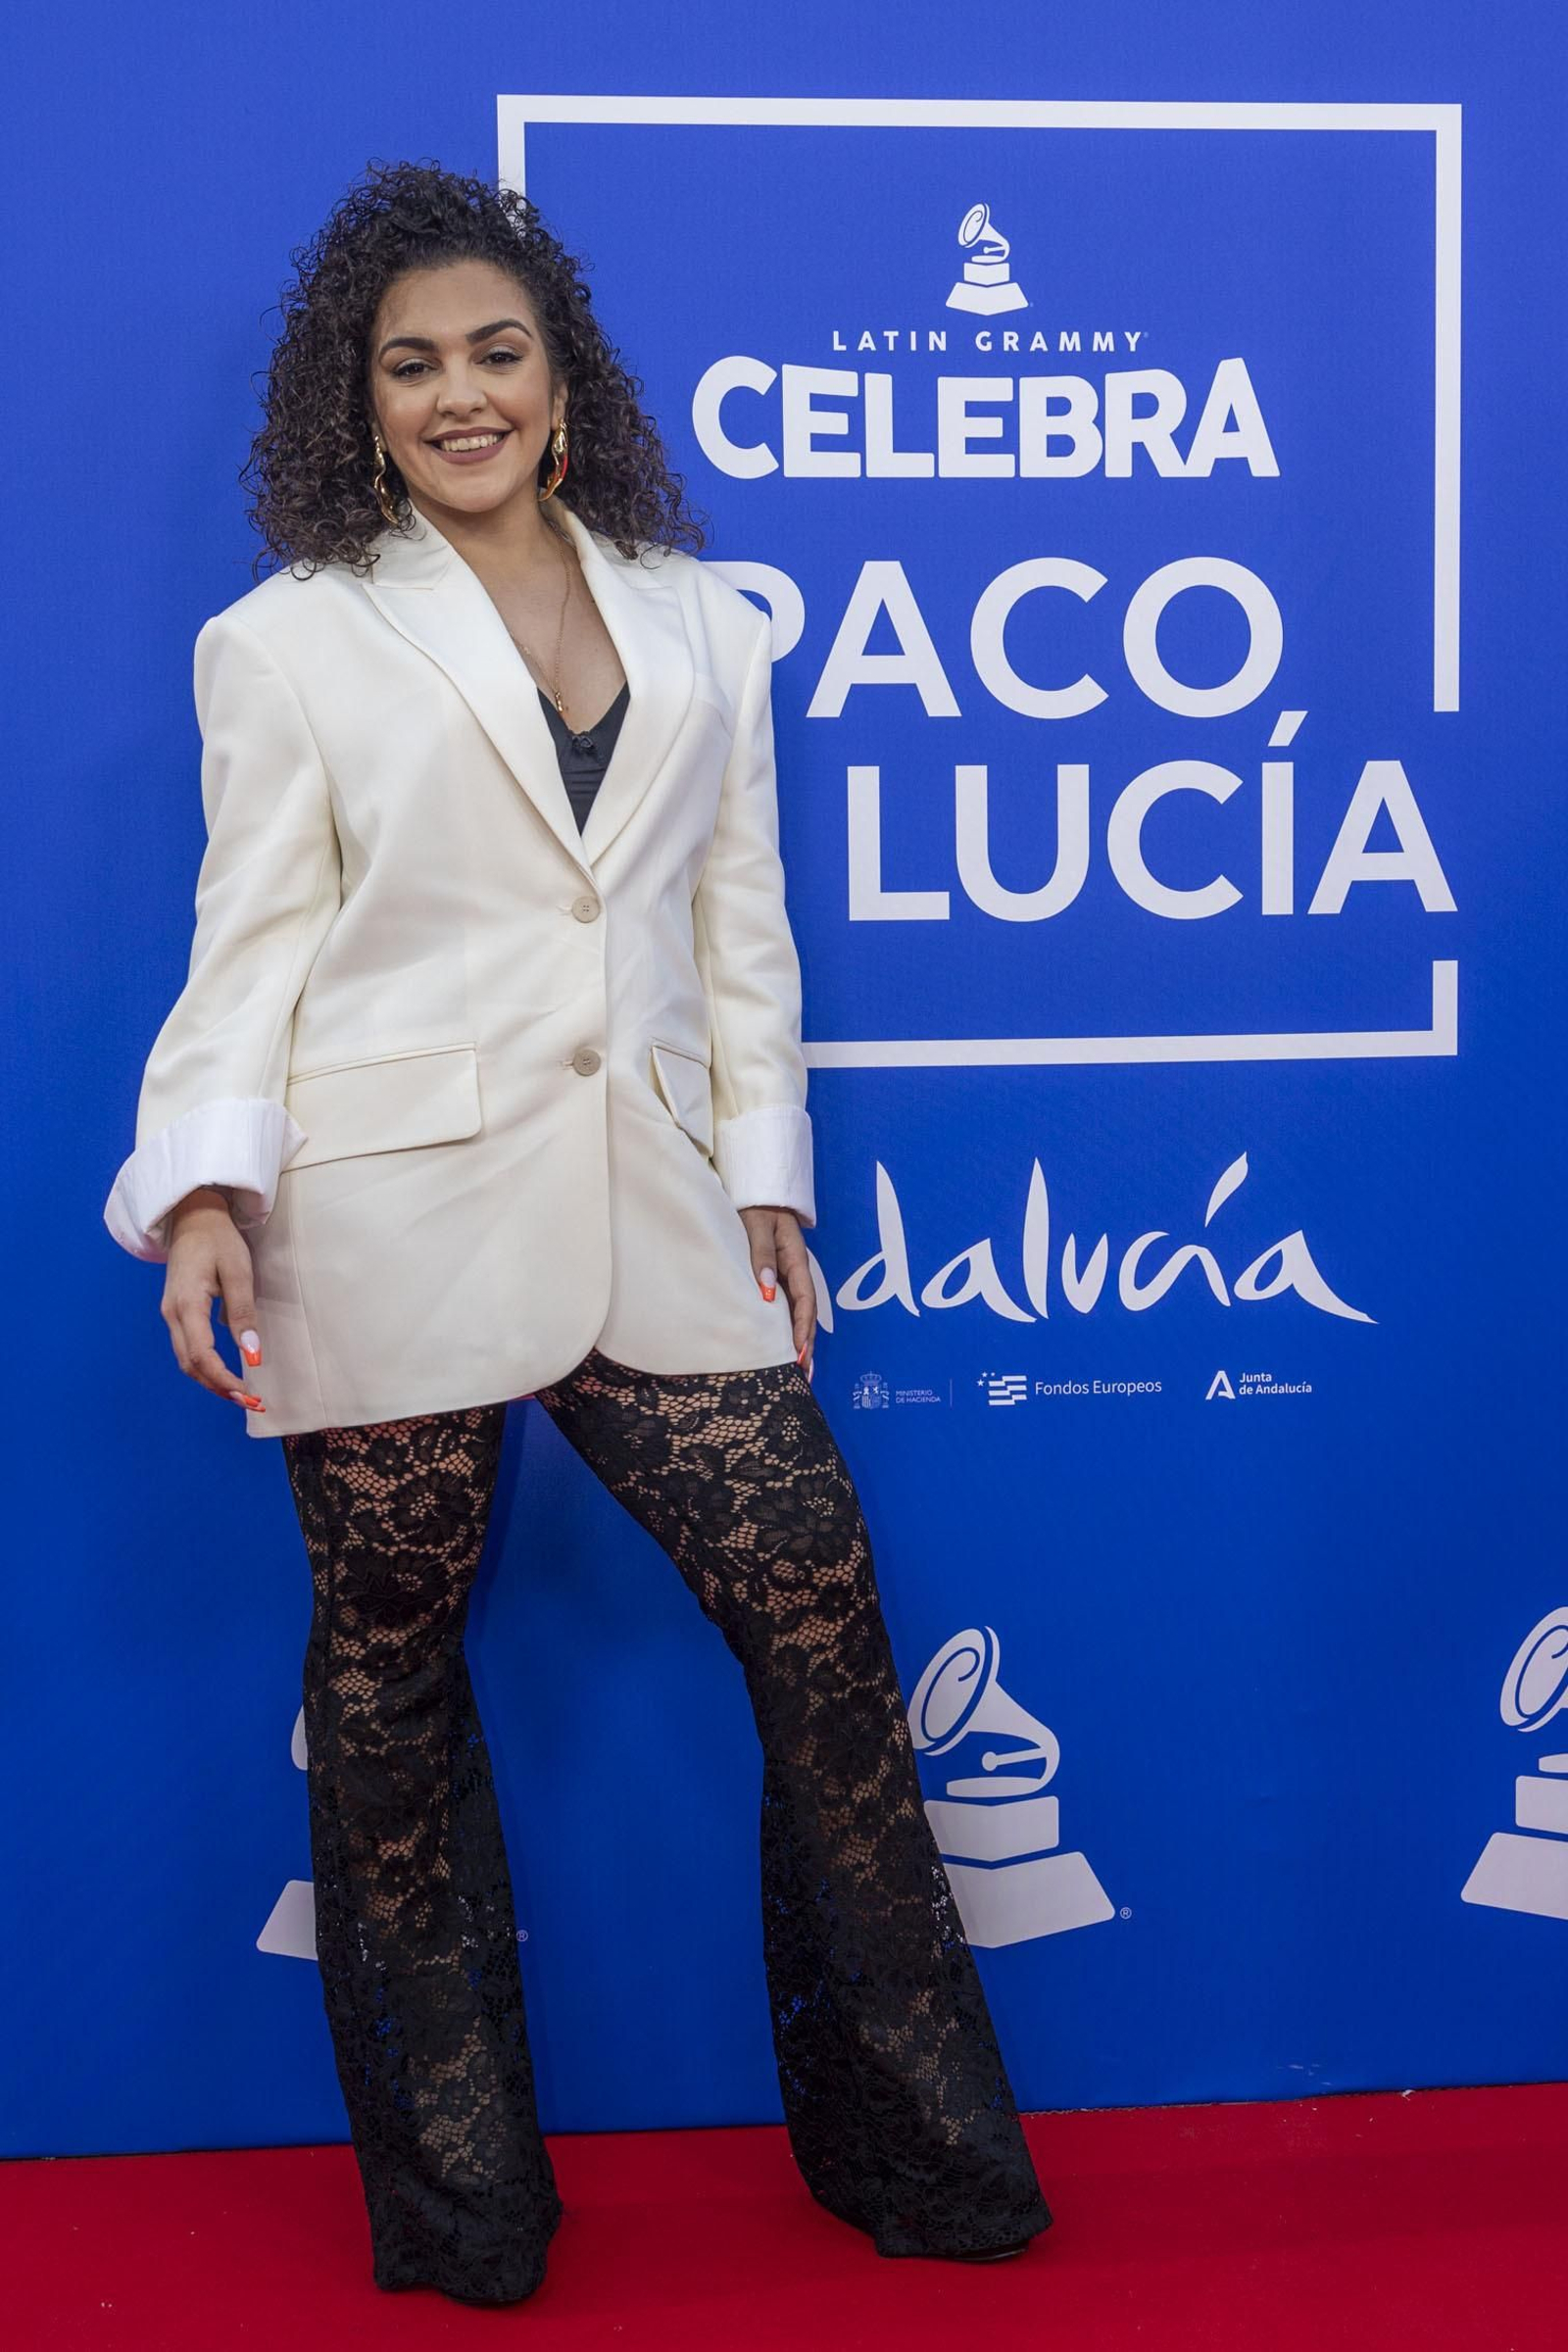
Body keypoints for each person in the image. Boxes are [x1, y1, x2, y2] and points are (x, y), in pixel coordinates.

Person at [102, 160, 1053, 2307]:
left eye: (495, 353)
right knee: (388, 1690)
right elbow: (247, 950)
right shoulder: (288, 641)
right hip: (381, 1215)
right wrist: (208, 1192)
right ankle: (466, 2216)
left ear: (561, 379)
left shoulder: (707, 621)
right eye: (410, 364)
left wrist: (767, 1180)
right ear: (358, 401)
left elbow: (740, 930)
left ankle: (912, 2152)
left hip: (651, 1202)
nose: (460, 394)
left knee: (816, 1611)